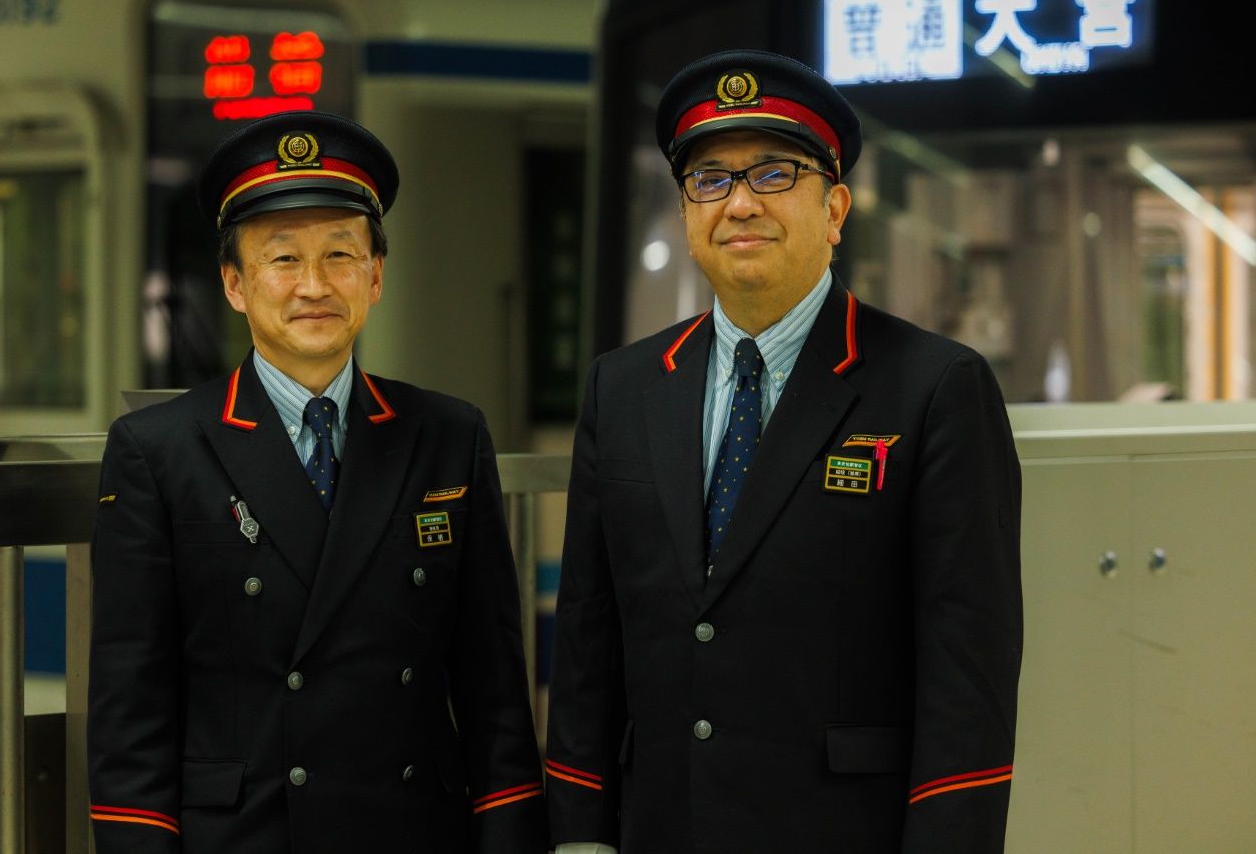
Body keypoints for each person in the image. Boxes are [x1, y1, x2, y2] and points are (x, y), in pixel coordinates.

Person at [545, 50, 1022, 853]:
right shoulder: (622, 389)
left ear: (834, 209)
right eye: (710, 179)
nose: (738, 203)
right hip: (662, 826)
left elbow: (966, 674)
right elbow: (589, 643)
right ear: (687, 211)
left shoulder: (933, 387)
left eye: (773, 174)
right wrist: (580, 834)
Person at [88, 112, 547, 853]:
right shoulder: (160, 450)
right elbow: (131, 706)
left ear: (375, 276)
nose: (313, 286)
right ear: (235, 284)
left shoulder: (447, 437)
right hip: (246, 837)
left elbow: (492, 686)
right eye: (281, 260)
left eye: (339, 254)